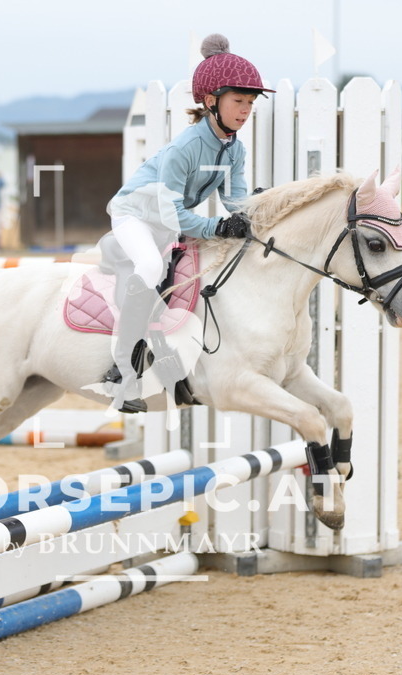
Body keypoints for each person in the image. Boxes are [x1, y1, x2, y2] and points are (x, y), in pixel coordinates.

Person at [101, 33, 274, 413]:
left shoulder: (235, 149)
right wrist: (215, 228)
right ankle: (121, 370)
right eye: (238, 101)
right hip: (135, 215)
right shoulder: (186, 148)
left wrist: (262, 207)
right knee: (150, 266)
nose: (246, 110)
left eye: (250, 103)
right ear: (211, 102)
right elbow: (171, 213)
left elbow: (235, 201)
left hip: (166, 221)